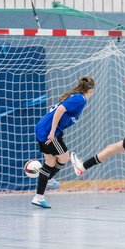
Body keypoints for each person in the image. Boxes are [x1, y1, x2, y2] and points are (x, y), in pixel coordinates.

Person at [32, 76, 96, 208]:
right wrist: (52, 132)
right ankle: (48, 180)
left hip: (43, 128)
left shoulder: (75, 96)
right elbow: (60, 110)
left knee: (50, 162)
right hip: (49, 132)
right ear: (90, 89)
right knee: (64, 158)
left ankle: (39, 197)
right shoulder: (80, 99)